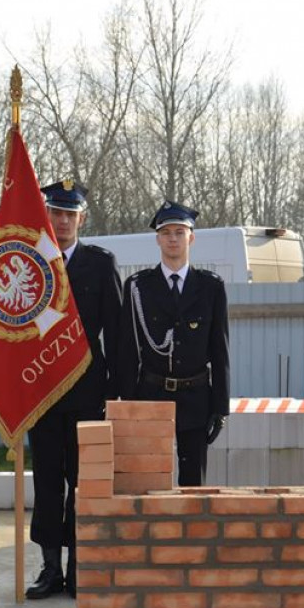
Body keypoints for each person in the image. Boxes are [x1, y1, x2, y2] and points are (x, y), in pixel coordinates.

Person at [26, 180, 122, 600]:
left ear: (82, 219)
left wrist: (116, 393)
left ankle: (79, 566)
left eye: (70, 214)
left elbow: (116, 333)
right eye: (56, 213)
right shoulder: (31, 263)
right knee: (48, 482)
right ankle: (49, 568)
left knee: (81, 483)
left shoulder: (100, 264)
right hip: (42, 391)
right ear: (45, 217)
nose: (62, 222)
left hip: (87, 391)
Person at [118, 201, 229, 486]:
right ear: (157, 239)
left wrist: (220, 407)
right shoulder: (138, 286)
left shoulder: (210, 287)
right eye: (166, 232)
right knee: (150, 482)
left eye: (180, 232)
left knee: (193, 486)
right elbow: (128, 350)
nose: (173, 239)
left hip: (196, 397)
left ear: (191, 238)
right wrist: (127, 401)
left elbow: (220, 349)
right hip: (151, 394)